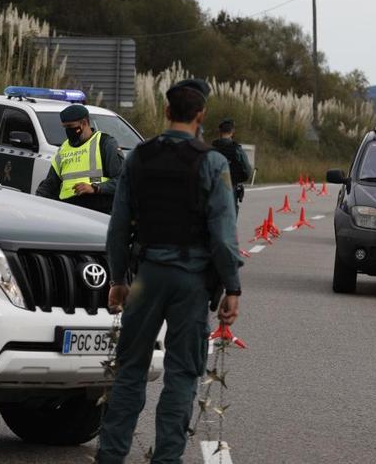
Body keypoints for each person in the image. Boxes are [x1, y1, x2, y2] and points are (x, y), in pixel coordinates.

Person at [96, 79, 243, 464]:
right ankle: (166, 459)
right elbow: (224, 237)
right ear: (201, 115)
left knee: (130, 369)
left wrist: (117, 280)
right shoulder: (212, 163)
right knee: (180, 374)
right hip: (191, 283)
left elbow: (117, 226)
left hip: (145, 278)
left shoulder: (138, 158)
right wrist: (232, 287)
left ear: (165, 112)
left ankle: (110, 456)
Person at [35, 104, 123, 214]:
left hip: (98, 211)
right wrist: (36, 203)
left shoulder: (105, 143)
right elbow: (49, 185)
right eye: (65, 127)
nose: (68, 131)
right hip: (69, 212)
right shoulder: (63, 149)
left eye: (70, 127)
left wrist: (95, 188)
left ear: (84, 123)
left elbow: (122, 181)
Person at [211, 118, 252, 215]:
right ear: (232, 131)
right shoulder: (237, 149)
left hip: (212, 190)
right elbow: (247, 171)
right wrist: (235, 179)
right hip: (230, 189)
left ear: (219, 131)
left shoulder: (211, 149)